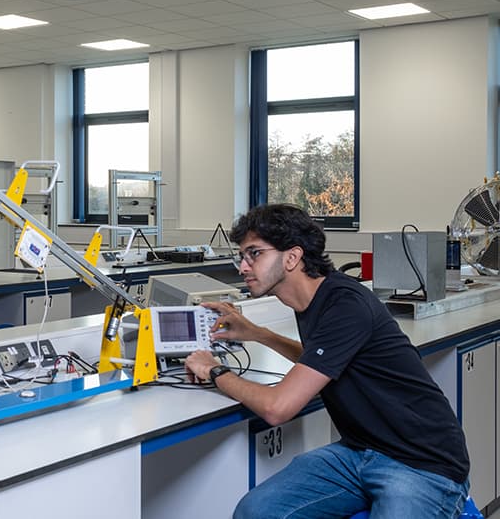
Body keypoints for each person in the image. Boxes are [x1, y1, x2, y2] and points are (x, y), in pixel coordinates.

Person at [184, 204, 470, 519]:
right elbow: (325, 360)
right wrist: (258, 334)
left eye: (254, 254)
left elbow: (277, 408)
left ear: (291, 257)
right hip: (358, 453)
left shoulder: (345, 304)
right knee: (256, 512)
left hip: (421, 463)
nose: (243, 266)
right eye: (242, 256)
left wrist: (213, 370)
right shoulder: (311, 298)